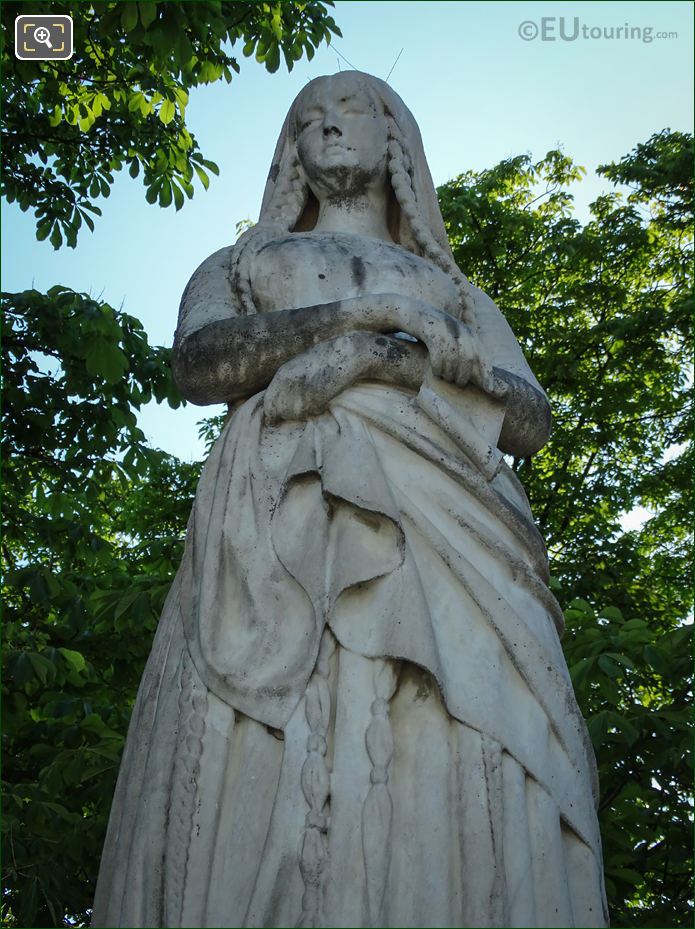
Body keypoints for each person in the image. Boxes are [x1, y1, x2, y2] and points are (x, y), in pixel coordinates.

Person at [93, 71, 607, 928]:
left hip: (451, 522)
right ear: (290, 152)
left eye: (352, 110)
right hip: (278, 510)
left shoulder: (455, 291)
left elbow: (527, 419)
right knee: (269, 746)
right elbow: (198, 362)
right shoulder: (243, 263)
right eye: (307, 120)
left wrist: (393, 359)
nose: (328, 126)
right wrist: (368, 315)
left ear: (395, 141)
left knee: (457, 737)